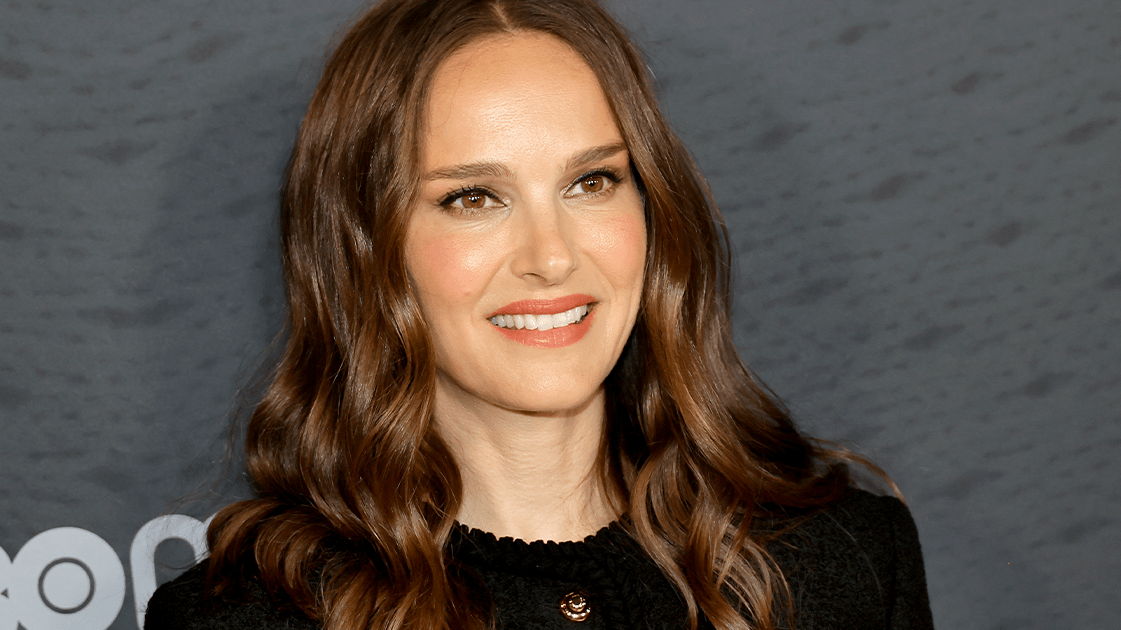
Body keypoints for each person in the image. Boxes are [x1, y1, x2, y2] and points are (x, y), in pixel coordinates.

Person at [144, 0, 933, 628]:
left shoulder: (847, 561)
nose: (551, 257)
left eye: (591, 183)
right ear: (366, 250)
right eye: (473, 198)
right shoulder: (247, 618)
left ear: (654, 210)